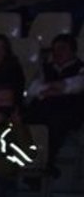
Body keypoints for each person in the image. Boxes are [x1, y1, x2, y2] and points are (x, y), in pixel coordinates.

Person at [26, 32, 84, 172]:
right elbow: (33, 89)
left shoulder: (80, 67)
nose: (58, 52)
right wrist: (59, 89)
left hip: (69, 111)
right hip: (42, 109)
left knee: (55, 123)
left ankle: (45, 163)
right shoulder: (45, 68)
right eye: (55, 49)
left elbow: (77, 85)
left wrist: (51, 89)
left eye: (62, 48)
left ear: (73, 50)